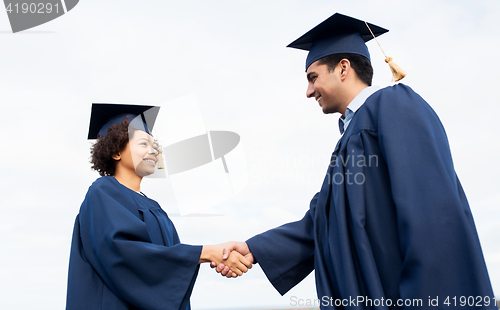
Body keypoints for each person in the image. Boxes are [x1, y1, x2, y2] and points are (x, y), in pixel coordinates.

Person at [215, 13, 496, 309]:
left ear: (343, 69)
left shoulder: (394, 106)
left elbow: (433, 213)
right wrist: (253, 249)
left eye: (313, 77)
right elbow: (320, 223)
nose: (309, 91)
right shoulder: (350, 138)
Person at [66, 104, 252, 310]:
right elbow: (123, 254)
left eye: (155, 146)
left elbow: (167, 265)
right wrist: (206, 253)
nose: (153, 151)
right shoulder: (103, 191)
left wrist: (214, 256)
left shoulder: (154, 207)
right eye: (144, 144)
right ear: (116, 151)